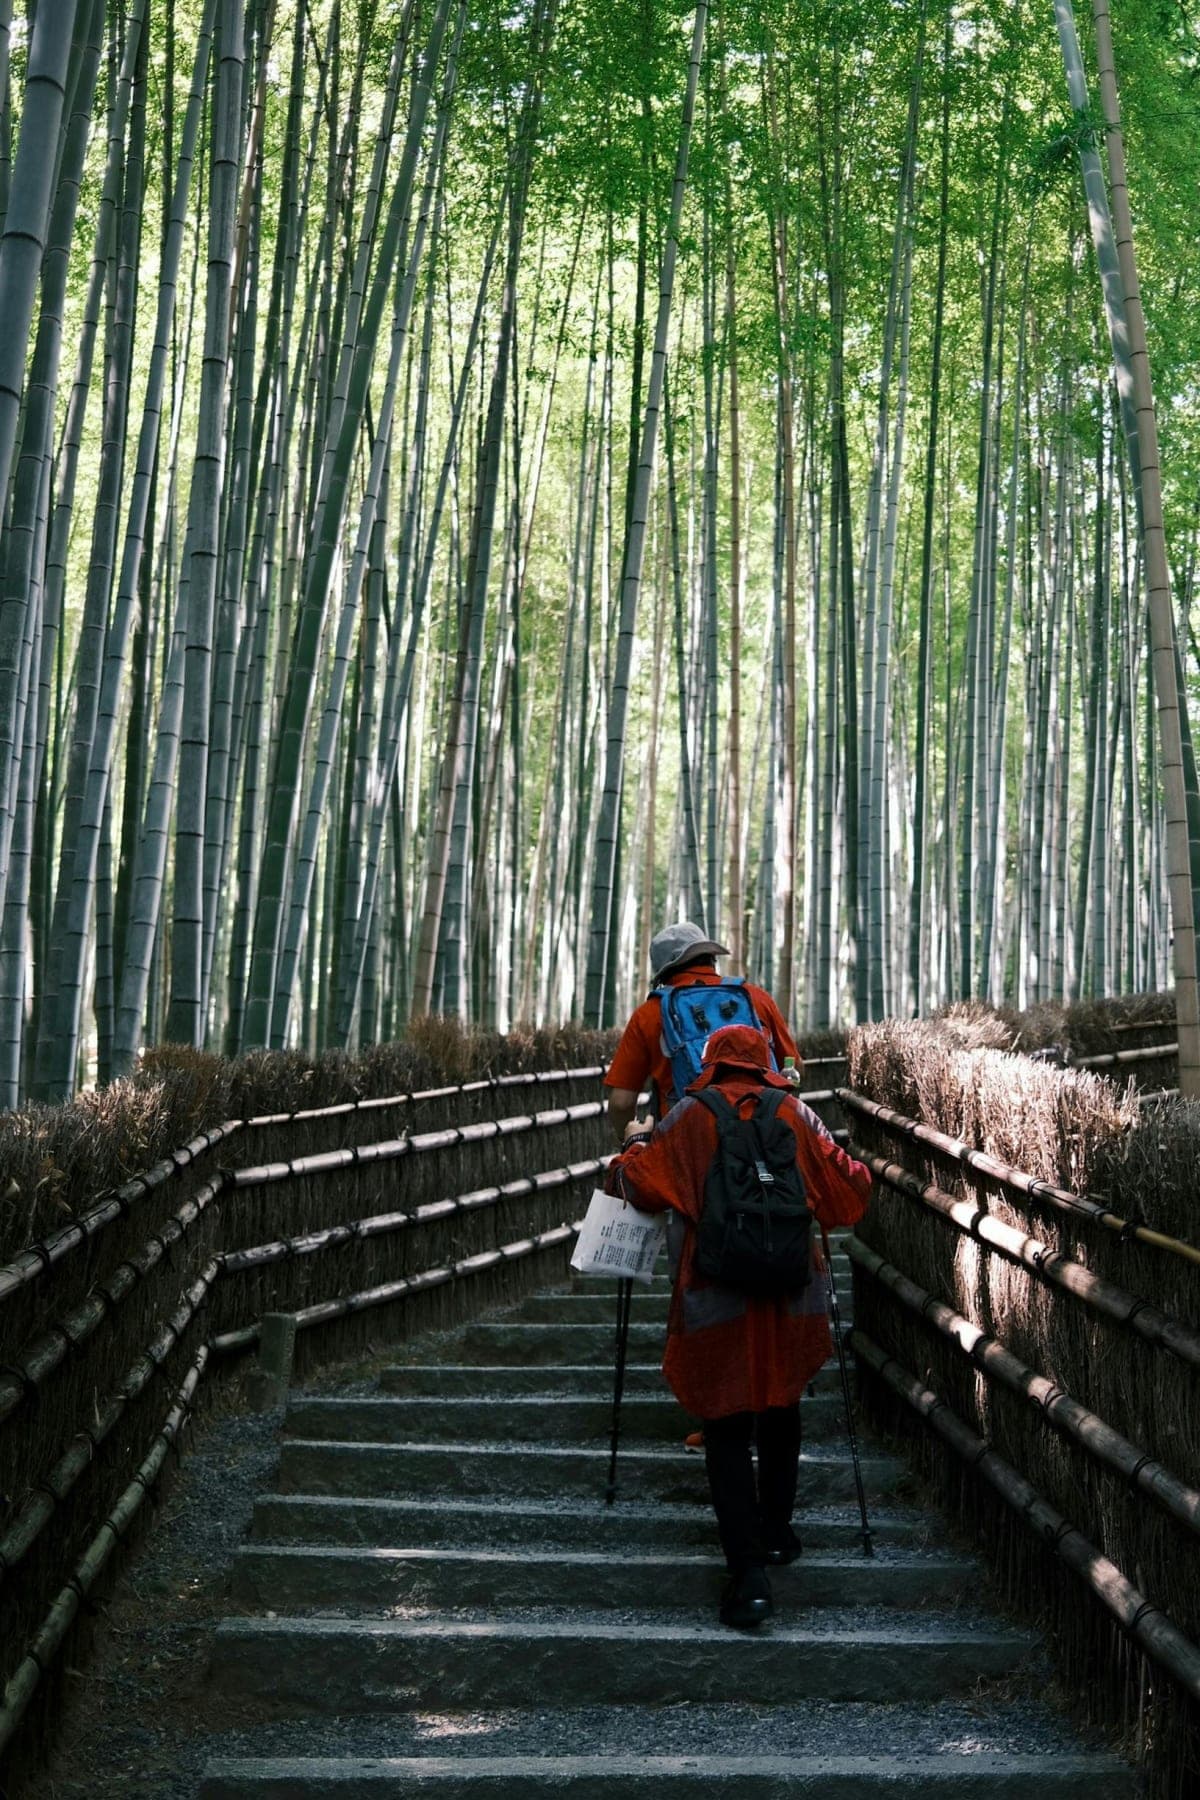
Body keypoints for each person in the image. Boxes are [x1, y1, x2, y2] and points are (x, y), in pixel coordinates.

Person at [605, 1022, 871, 1630]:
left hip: (715, 1296)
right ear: (767, 1061)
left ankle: (749, 1580)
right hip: (791, 1296)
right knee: (781, 1407)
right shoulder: (797, 1114)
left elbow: (637, 1186)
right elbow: (850, 1191)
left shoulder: (689, 1115)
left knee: (725, 1427)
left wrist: (632, 1147)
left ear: (711, 1061)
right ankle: (777, 1534)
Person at [604, 920, 800, 1145]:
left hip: (685, 1148)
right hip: (763, 1138)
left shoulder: (649, 1014)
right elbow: (793, 1068)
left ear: (663, 974)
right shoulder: (756, 999)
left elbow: (621, 1102)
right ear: (711, 959)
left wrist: (629, 1139)